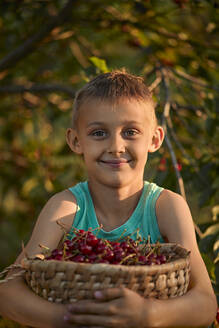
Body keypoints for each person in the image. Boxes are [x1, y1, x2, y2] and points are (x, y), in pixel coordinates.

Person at [0, 70, 217, 328]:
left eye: (131, 132)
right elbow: (8, 291)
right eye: (99, 133)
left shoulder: (166, 207)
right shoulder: (66, 209)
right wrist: (69, 319)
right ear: (75, 140)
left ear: (155, 139)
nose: (116, 146)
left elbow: (205, 303)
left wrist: (148, 315)